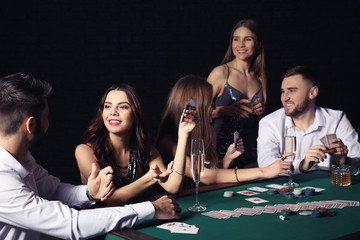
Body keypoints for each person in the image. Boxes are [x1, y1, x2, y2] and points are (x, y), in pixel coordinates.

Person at [0, 73, 181, 240]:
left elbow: (54, 191)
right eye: (47, 116)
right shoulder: (3, 180)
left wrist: (89, 192)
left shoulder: (23, 159)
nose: (50, 122)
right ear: (31, 125)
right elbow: (73, 224)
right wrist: (151, 208)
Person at [156, 75, 292, 186]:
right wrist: (264, 171)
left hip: (207, 196)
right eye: (210, 102)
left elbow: (214, 173)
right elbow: (204, 176)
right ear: (197, 105)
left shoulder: (209, 131)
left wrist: (227, 158)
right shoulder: (168, 142)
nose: (214, 108)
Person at [75, 83, 196, 206]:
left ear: (136, 113)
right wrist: (150, 178)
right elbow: (107, 199)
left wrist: (183, 133)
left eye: (123, 107)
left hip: (138, 220)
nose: (113, 112)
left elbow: (172, 186)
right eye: (107, 106)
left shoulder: (146, 150)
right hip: (101, 222)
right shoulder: (84, 151)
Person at [257, 65, 360, 175]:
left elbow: (358, 164)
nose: (285, 98)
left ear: (312, 93)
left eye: (292, 90)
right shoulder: (269, 122)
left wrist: (344, 161)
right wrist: (301, 165)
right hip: (287, 189)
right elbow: (265, 165)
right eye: (283, 91)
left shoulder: (337, 119)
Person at [207, 19, 267, 169]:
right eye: (236, 39)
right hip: (220, 155)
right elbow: (196, 114)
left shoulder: (260, 77)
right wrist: (227, 110)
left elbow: (263, 124)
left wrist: (262, 112)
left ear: (258, 44)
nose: (240, 45)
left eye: (247, 39)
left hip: (251, 154)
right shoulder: (220, 73)